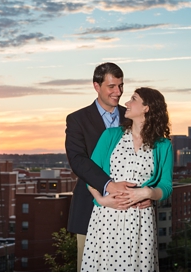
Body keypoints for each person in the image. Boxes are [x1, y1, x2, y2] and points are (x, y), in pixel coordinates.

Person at [81, 87, 173, 272]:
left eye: (133, 99)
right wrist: (100, 199)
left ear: (147, 107)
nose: (126, 103)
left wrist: (149, 192)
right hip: (107, 217)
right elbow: (90, 174)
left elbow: (166, 185)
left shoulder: (164, 145)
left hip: (141, 220)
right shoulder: (110, 136)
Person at [65, 62, 140, 271]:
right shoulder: (77, 119)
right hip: (90, 206)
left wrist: (144, 194)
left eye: (121, 85)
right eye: (111, 86)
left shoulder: (133, 117)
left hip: (130, 208)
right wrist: (108, 185)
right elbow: (78, 160)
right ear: (96, 86)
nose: (118, 92)